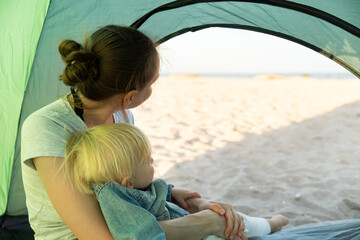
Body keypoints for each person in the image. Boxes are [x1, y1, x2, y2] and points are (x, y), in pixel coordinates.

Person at [21, 25, 246, 240]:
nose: (152, 90)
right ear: (130, 96)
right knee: (215, 225)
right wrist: (203, 223)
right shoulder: (47, 127)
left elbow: (123, 182)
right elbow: (97, 236)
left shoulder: (121, 117)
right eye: (152, 84)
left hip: (127, 222)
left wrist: (180, 196)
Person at [62, 123, 289, 240]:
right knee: (232, 226)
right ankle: (269, 225)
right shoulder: (114, 196)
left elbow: (151, 192)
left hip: (189, 227)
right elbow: (140, 234)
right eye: (148, 162)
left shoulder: (129, 186)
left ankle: (271, 224)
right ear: (127, 181)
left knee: (237, 221)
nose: (153, 162)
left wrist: (172, 192)